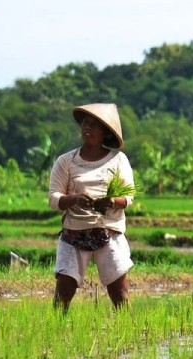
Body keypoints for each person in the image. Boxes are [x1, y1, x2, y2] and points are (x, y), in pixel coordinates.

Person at [49, 103, 135, 310]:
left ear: (105, 133)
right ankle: (55, 333)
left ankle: (129, 334)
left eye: (95, 125)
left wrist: (112, 202)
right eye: (86, 123)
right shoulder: (66, 161)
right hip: (74, 234)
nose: (88, 128)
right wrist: (74, 199)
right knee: (63, 294)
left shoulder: (117, 160)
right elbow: (54, 198)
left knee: (120, 294)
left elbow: (128, 196)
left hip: (109, 232)